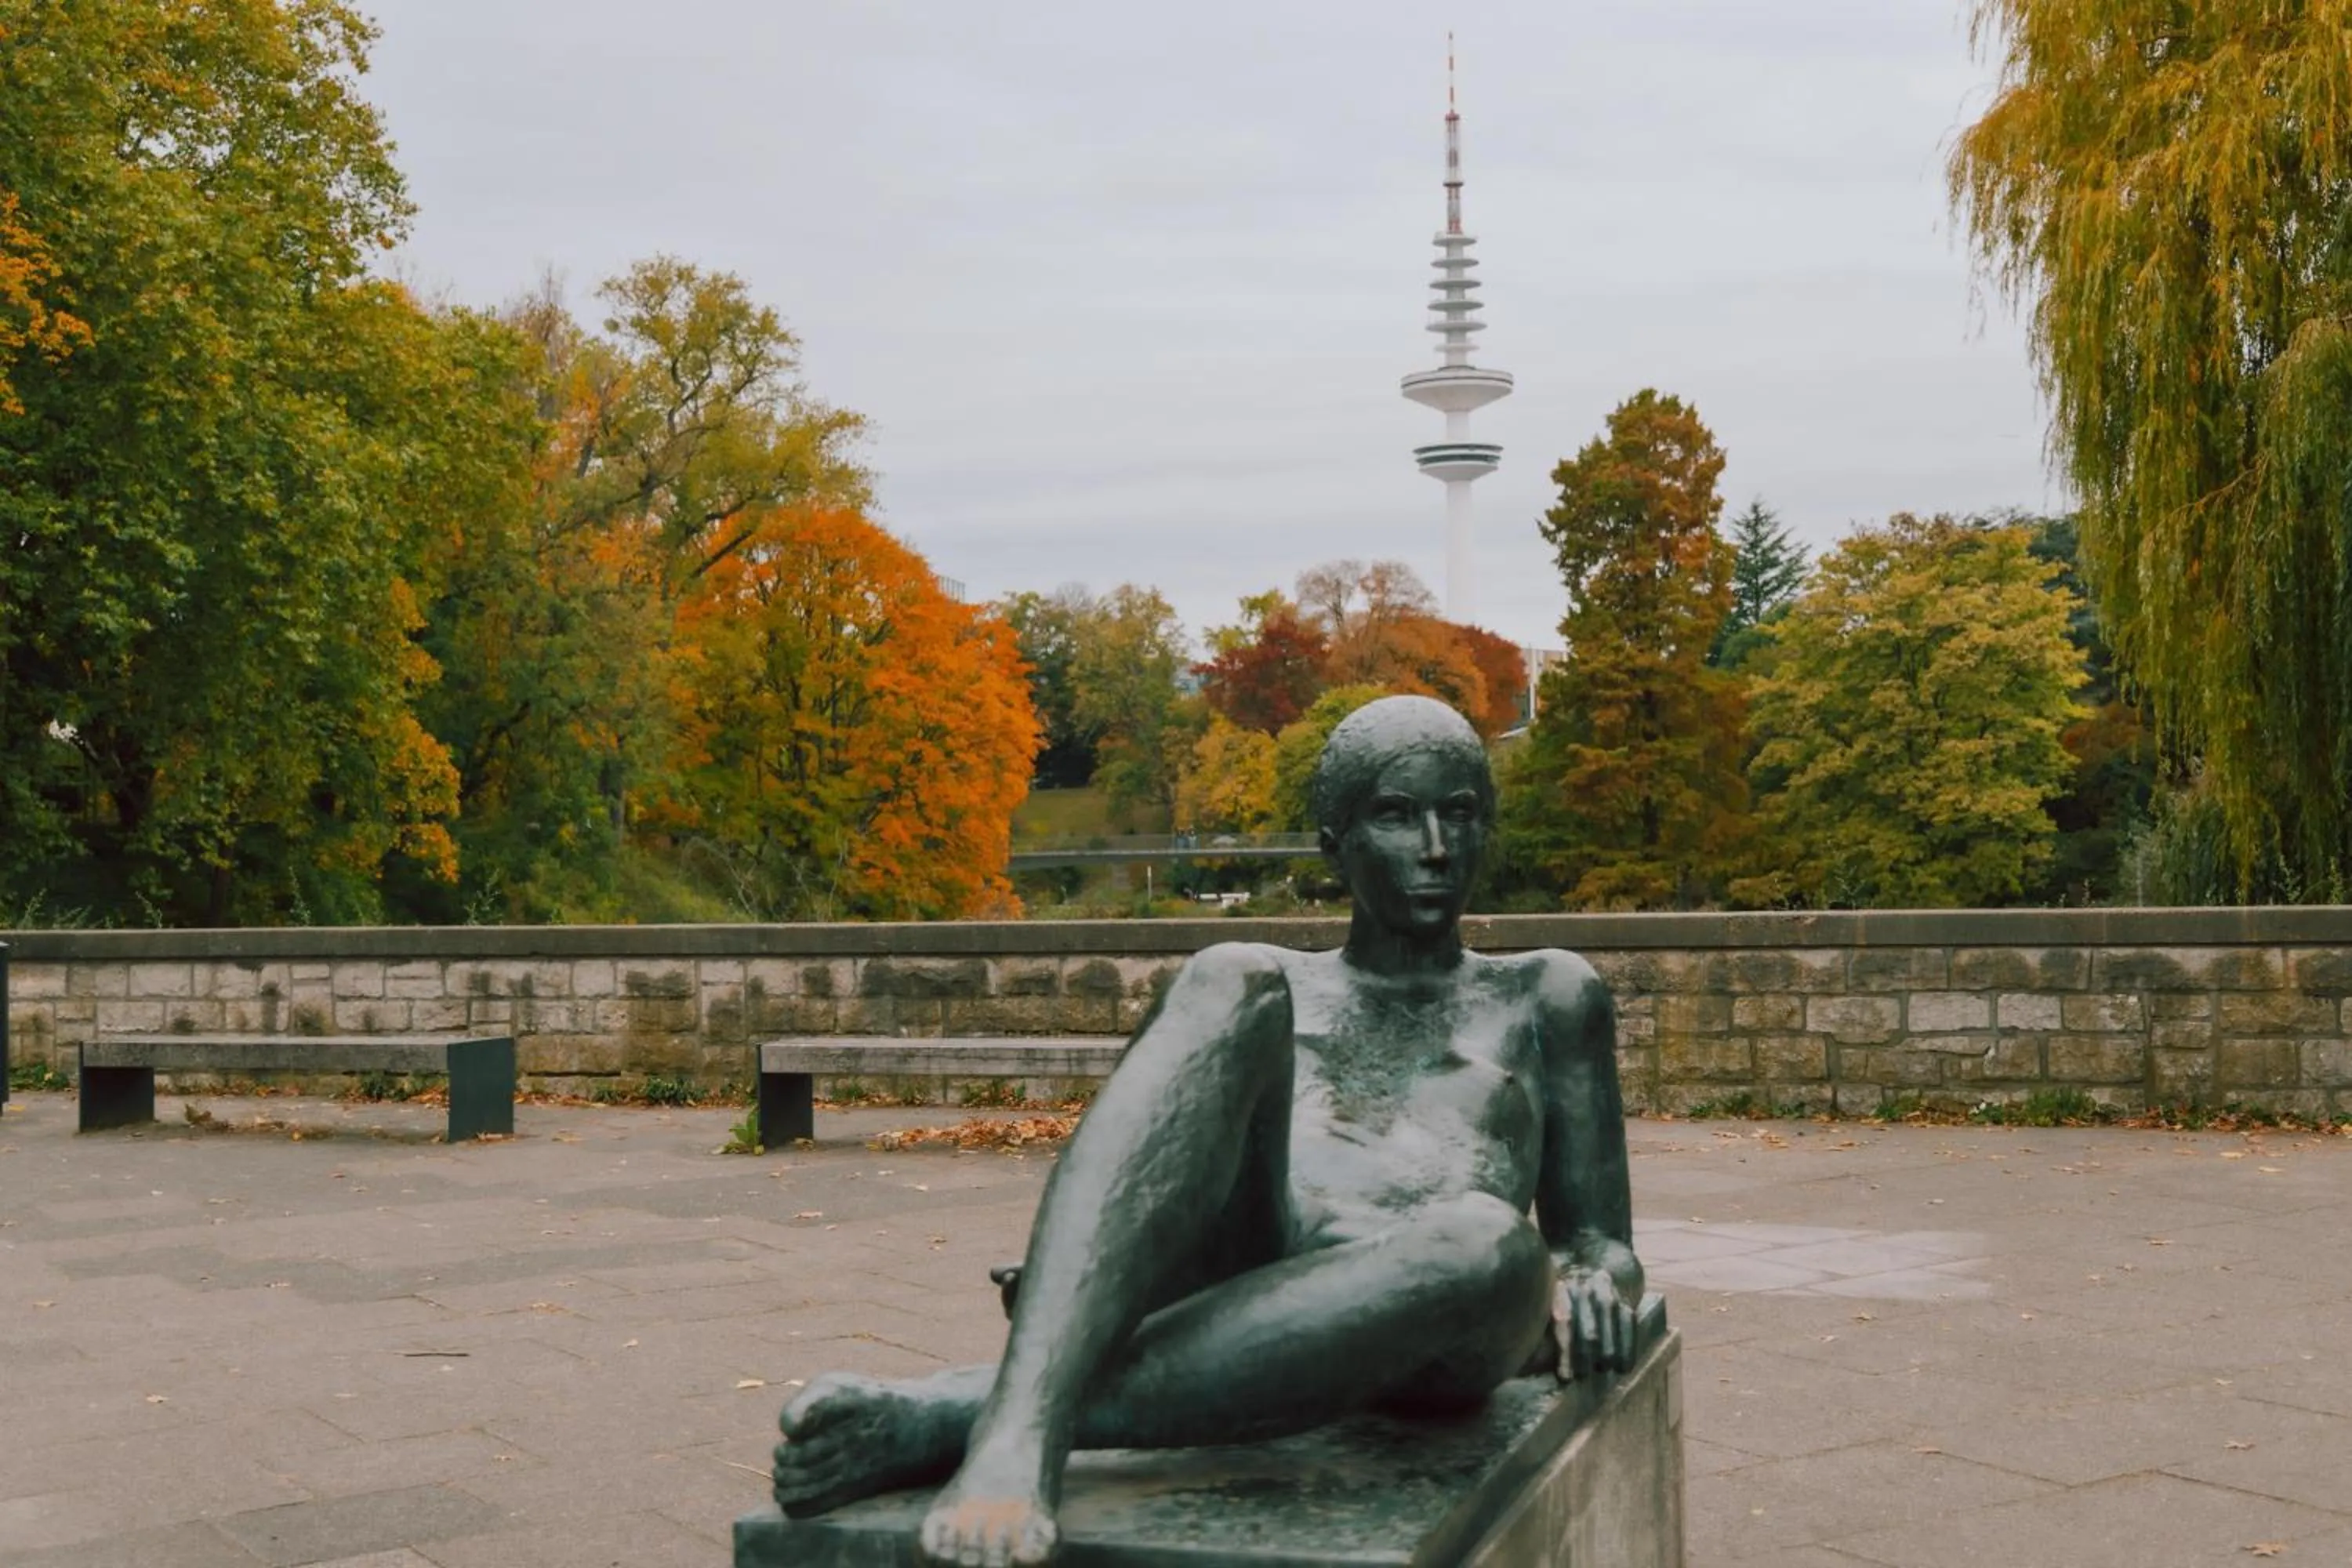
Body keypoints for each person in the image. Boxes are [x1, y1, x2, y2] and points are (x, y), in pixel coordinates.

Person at [771, 695, 1643, 1568]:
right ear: (1334, 843)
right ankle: (1022, 1431)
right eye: (1394, 815)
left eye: (1458, 813)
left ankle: (968, 1411)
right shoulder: (1278, 991)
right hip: (1253, 1262)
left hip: (1453, 1310)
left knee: (1486, 1239)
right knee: (1229, 971)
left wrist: (1592, 1275)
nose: (1436, 848)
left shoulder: (1545, 995)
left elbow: (1602, 1241)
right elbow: (1160, 1157)